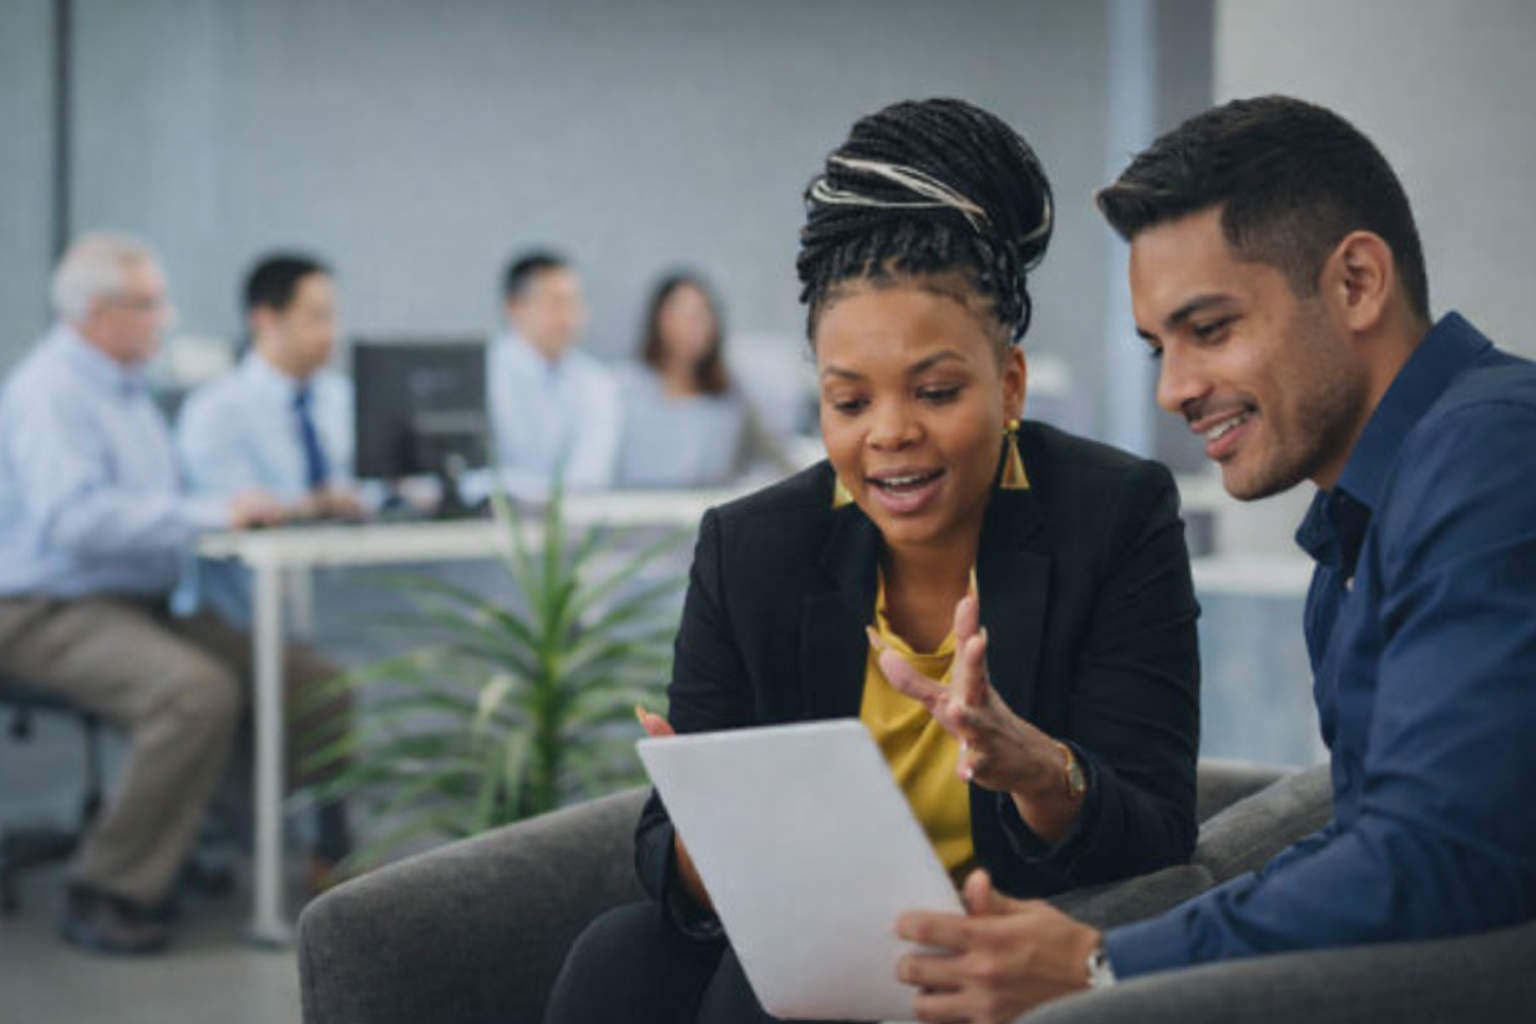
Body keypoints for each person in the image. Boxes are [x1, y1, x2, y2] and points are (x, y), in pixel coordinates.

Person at [543, 98, 1201, 1024]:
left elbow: (1163, 832)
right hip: (808, 929)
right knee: (618, 957)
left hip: (1000, 935)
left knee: (752, 999)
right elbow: (670, 864)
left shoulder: (1114, 515)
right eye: (848, 403)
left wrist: (1037, 769)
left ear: (1009, 384)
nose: (890, 433)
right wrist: (719, 835)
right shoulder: (752, 547)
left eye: (935, 390)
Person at [886, 95, 1536, 1023]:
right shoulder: (1352, 537)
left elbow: (1439, 857)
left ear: (1356, 282)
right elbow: (1372, 835)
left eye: (1212, 329)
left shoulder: (1493, 455)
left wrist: (1106, 966)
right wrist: (1091, 948)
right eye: (1158, 346)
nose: (1175, 390)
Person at [0, 234, 345, 955]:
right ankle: (107, 887)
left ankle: (231, 837)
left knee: (311, 681)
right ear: (99, 310)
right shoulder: (50, 392)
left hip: (138, 604)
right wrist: (208, 513)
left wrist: (261, 503)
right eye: (150, 303)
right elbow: (73, 521)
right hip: (42, 610)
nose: (166, 317)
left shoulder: (127, 390)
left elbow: (168, 500)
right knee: (193, 692)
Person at [177, 253, 362, 622]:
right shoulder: (215, 409)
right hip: (249, 611)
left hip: (346, 599)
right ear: (265, 320)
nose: (331, 333)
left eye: (333, 316)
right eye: (316, 317)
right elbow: (240, 511)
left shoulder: (345, 398)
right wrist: (311, 505)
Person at [615, 272, 791, 488]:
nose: (694, 326)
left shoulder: (731, 395)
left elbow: (780, 461)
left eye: (702, 315)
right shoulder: (624, 389)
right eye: (684, 314)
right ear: (659, 319)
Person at [486, 250, 621, 498]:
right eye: (555, 304)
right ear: (514, 307)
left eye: (574, 303)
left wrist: (505, 486)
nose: (568, 318)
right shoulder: (483, 373)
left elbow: (589, 477)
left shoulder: (595, 381)